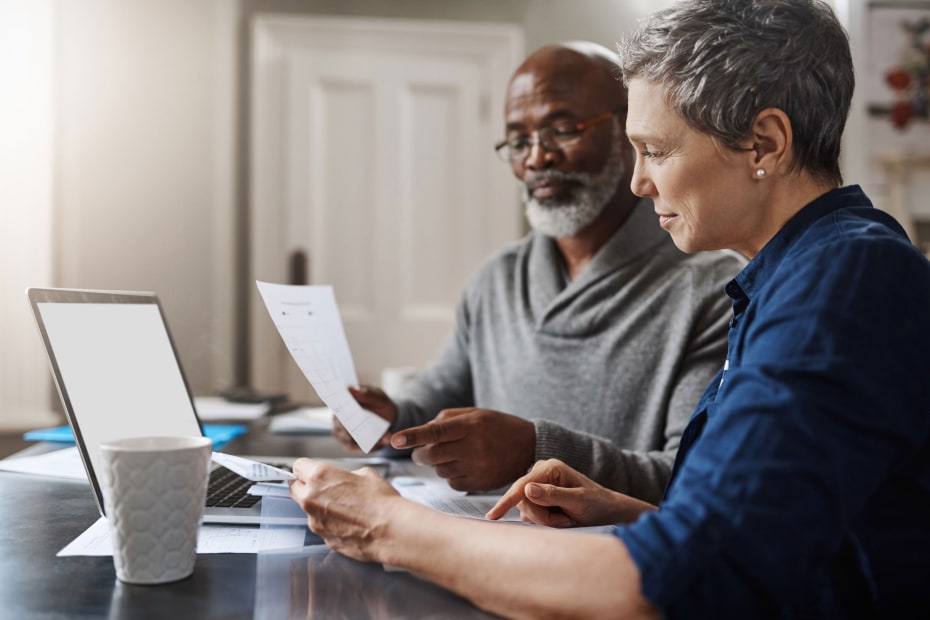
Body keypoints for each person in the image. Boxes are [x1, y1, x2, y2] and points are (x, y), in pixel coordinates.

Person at [289, 0, 930, 617]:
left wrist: (388, 525)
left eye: (655, 150)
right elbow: (760, 545)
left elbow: (675, 585)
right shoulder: (794, 277)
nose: (639, 181)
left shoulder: (841, 282)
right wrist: (624, 511)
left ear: (763, 144)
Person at [336, 41, 745, 500]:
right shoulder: (496, 280)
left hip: (611, 562)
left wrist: (536, 451)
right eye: (518, 140)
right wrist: (390, 421)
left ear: (629, 129)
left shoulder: (714, 288)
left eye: (562, 129)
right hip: (483, 547)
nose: (535, 158)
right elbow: (432, 400)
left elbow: (694, 476)